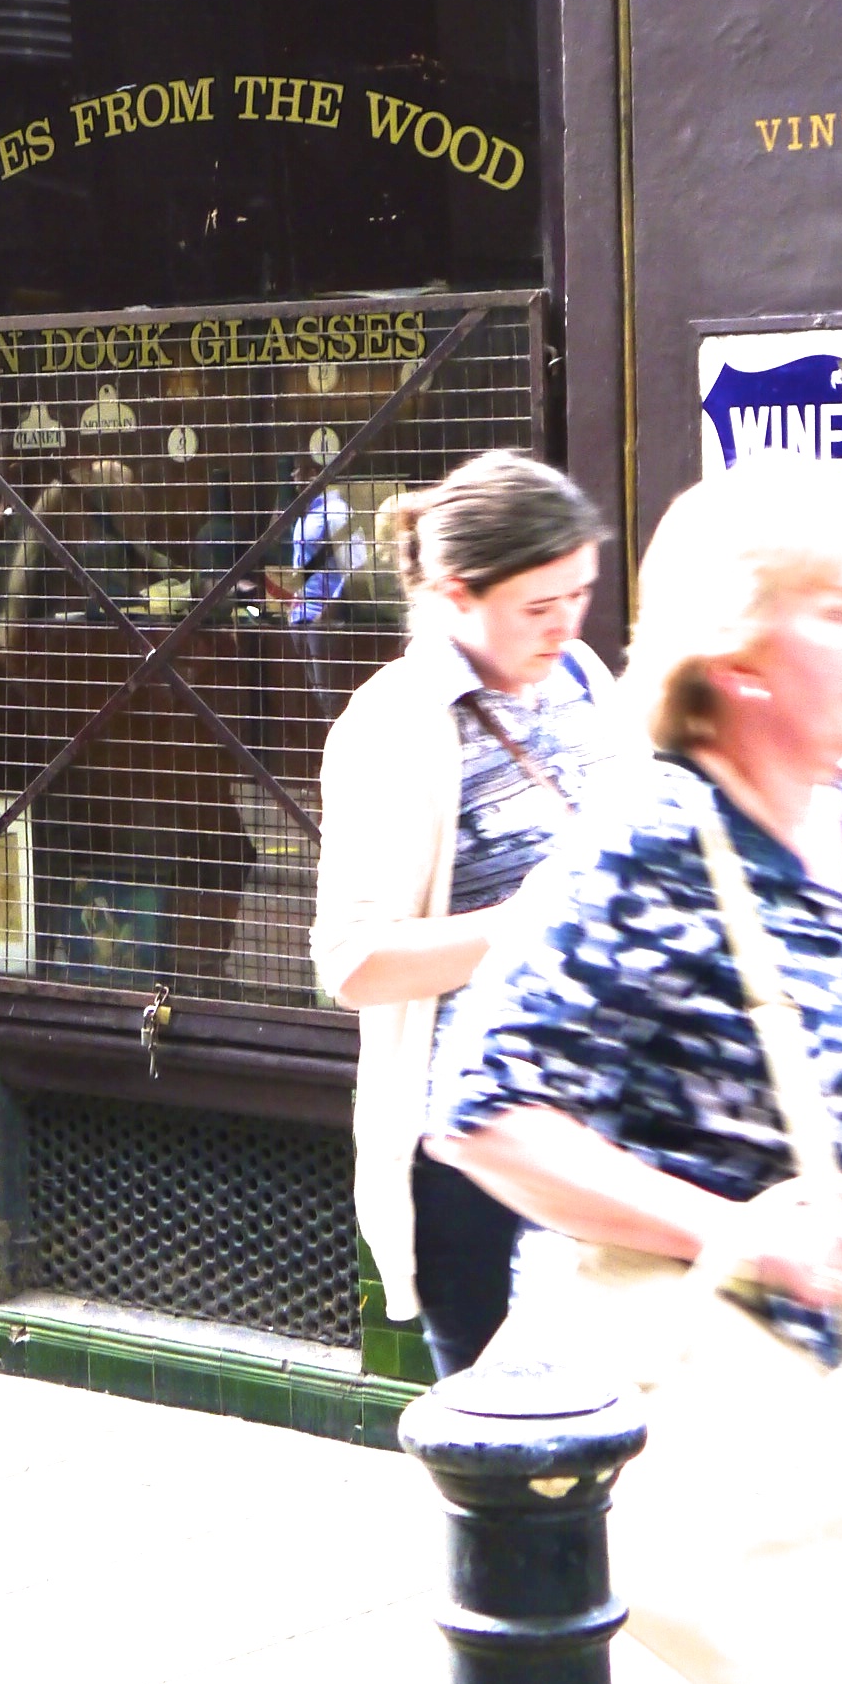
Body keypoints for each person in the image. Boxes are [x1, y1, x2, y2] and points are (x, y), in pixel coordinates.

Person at [424, 453, 842, 1684]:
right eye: (840, 613)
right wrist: (743, 1234)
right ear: (740, 660)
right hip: (684, 1434)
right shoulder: (654, 836)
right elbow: (482, 1115)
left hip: (817, 1422)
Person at [309, 450, 625, 1378]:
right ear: (456, 594)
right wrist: (527, 924)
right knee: (511, 1437)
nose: (567, 623)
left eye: (580, 594)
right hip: (474, 1154)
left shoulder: (580, 676)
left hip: (608, 1124)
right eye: (538, 605)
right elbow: (351, 963)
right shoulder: (394, 723)